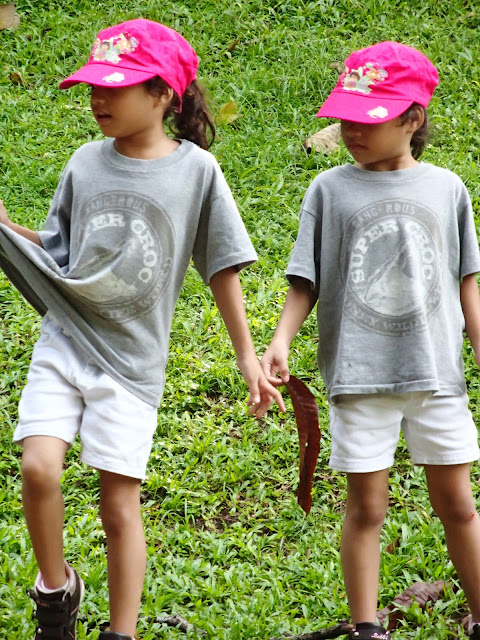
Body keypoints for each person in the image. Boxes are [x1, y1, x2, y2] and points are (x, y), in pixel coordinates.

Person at [0, 18, 285, 640]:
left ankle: (121, 632)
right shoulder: (84, 163)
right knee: (38, 468)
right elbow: (57, 251)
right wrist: (6, 227)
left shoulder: (197, 171)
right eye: (93, 87)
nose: (97, 99)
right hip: (66, 337)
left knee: (117, 505)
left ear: (162, 95)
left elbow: (221, 267)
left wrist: (246, 356)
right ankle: (55, 591)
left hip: (131, 362)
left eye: (115, 88)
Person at [260, 41, 480, 640]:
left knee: (459, 505)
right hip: (359, 375)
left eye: (368, 118)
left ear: (413, 119)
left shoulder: (448, 189)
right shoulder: (328, 190)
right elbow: (305, 279)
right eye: (345, 117)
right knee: (367, 509)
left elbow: (466, 281)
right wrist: (280, 340)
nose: (352, 130)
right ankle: (366, 628)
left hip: (437, 376)